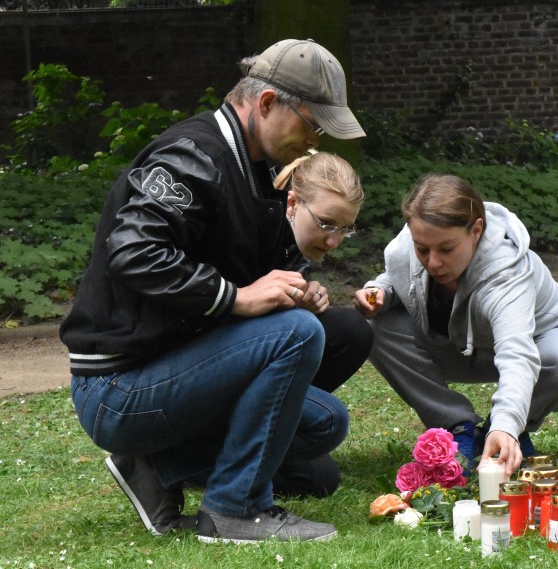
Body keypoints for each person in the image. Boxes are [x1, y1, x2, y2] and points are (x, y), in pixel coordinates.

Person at [60, 39, 370, 545]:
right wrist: (235, 298)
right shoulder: (192, 155)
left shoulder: (255, 166)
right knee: (294, 335)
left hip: (172, 364)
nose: (315, 141)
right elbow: (133, 251)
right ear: (268, 104)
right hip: (118, 388)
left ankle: (157, 467)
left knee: (324, 421)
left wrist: (291, 287)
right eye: (312, 124)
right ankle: (234, 509)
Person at [354, 174, 558, 478]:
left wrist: (506, 422)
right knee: (369, 326)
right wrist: (380, 292)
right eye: (422, 249)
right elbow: (400, 274)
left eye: (446, 249)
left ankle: (507, 431)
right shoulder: (406, 246)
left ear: (476, 230)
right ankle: (458, 427)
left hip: (537, 347)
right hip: (456, 348)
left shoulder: (505, 271)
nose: (433, 263)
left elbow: (517, 354)